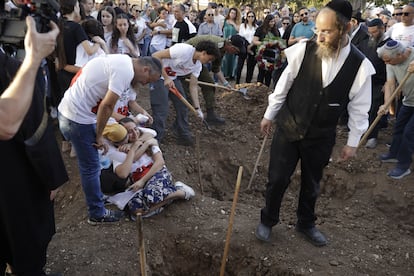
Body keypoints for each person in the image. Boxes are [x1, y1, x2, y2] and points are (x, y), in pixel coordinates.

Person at [255, 0, 375, 246]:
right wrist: (269, 114)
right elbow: (283, 85)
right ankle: (268, 220)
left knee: (312, 183)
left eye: (326, 31)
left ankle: (305, 223)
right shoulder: (303, 50)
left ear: (346, 28)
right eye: (317, 30)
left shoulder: (360, 65)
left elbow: (360, 108)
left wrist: (353, 142)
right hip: (289, 128)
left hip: (321, 136)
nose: (318, 36)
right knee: (277, 179)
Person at [58, 55, 162, 225]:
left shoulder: (123, 62)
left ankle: (97, 197)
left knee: (95, 160)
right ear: (145, 69)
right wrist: (99, 135)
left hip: (78, 112)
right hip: (77, 118)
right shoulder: (124, 71)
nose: (145, 84)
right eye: (148, 80)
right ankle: (96, 214)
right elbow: (106, 106)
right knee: (90, 167)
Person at [0, 16, 68, 275]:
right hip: (13, 181)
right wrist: (32, 60)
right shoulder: (12, 70)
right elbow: (28, 130)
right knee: (25, 249)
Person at [102, 121, 195, 219]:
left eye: (135, 129)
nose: (134, 133)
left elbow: (160, 162)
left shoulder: (150, 141)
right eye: (129, 132)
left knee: (152, 193)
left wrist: (142, 180)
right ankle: (170, 196)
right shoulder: (119, 153)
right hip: (140, 182)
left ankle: (180, 193)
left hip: (157, 173)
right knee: (135, 210)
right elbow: (122, 173)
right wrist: (133, 148)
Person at [150, 41, 220, 145]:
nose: (209, 62)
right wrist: (166, 78)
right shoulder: (183, 50)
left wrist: (197, 108)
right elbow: (155, 56)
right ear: (204, 53)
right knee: (161, 109)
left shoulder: (198, 66)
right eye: (209, 59)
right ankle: (155, 140)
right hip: (158, 76)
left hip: (172, 78)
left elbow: (193, 86)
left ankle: (183, 134)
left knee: (183, 106)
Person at [377, 40, 414, 179]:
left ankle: (403, 166)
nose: (386, 63)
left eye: (388, 60)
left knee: (409, 133)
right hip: (409, 101)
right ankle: (394, 153)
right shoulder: (390, 62)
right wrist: (386, 105)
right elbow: (390, 84)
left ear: (399, 55)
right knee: (399, 127)